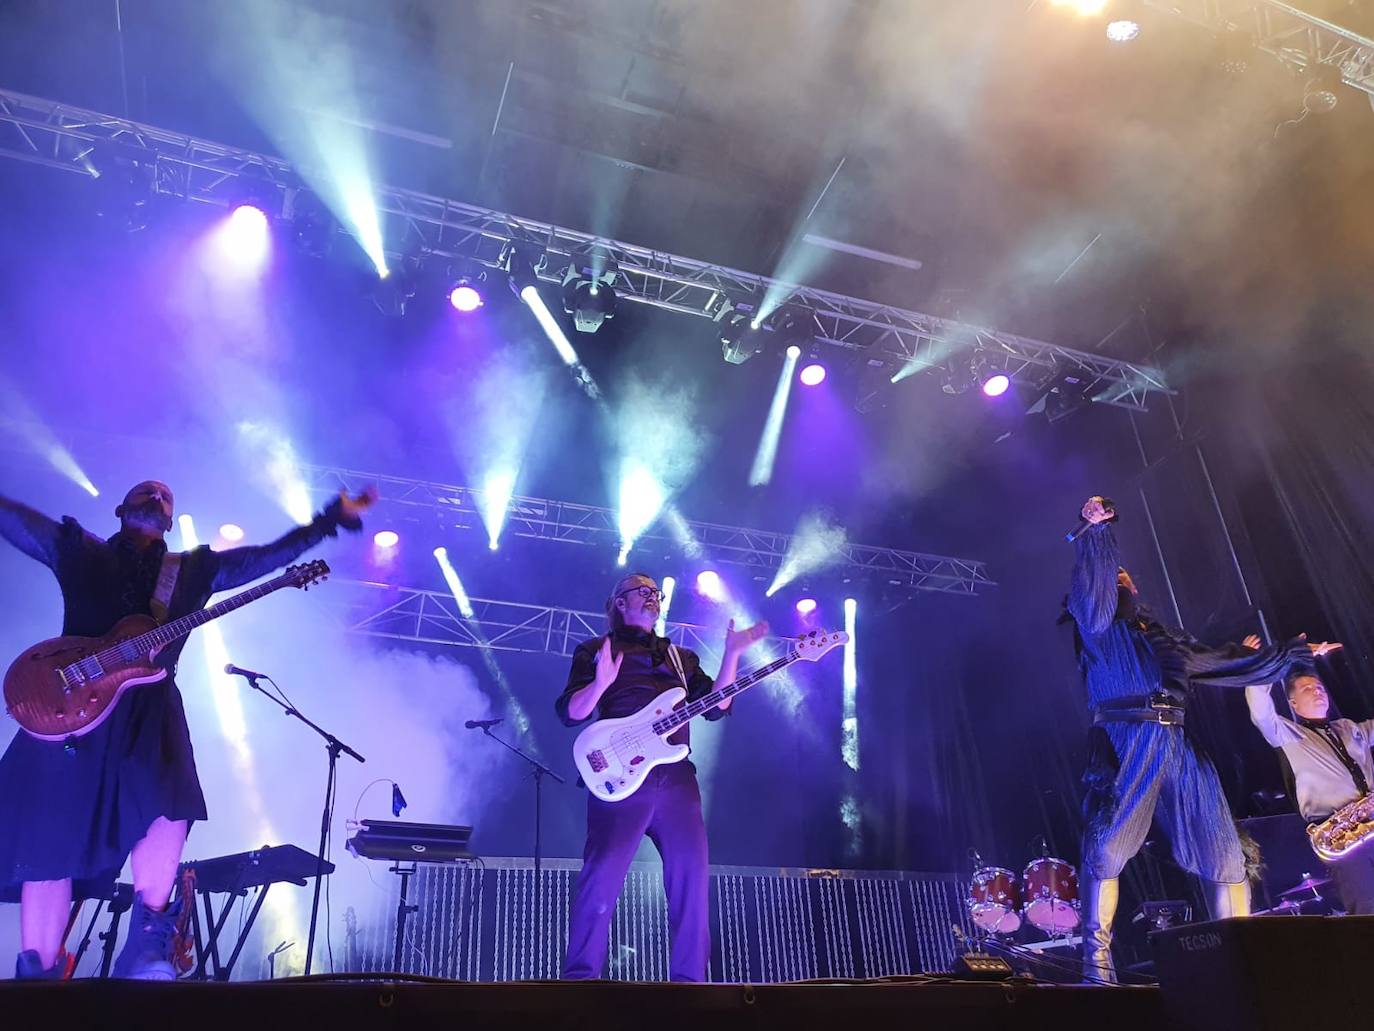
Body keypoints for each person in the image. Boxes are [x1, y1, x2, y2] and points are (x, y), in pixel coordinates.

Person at [0, 479, 376, 980]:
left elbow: (265, 558)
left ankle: (149, 946)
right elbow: (17, 522)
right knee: (51, 843)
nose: (157, 497)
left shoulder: (193, 570)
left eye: (165, 497)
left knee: (169, 808)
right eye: (145, 492)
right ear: (121, 508)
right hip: (68, 708)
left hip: (147, 711)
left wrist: (328, 522)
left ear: (171, 521)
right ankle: (37, 976)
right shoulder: (80, 550)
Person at [1067, 496, 1323, 982]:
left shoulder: (1167, 643)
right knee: (1109, 844)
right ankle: (1095, 966)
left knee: (1225, 849)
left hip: (1176, 741)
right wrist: (1097, 534)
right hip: (1129, 737)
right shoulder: (1097, 626)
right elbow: (1095, 591)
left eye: (1127, 578)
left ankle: (1242, 957)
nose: (1122, 581)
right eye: (1114, 578)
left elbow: (1228, 661)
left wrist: (1294, 654)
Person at [555, 572, 767, 982]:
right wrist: (600, 684)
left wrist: (733, 654)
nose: (654, 598)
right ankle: (579, 981)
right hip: (619, 777)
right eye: (644, 592)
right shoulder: (595, 649)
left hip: (676, 779)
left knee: (691, 878)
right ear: (620, 602)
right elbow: (572, 713)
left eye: (658, 593)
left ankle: (690, 984)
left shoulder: (680, 658)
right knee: (600, 879)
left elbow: (714, 707)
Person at [1243, 647, 1374, 914]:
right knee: (1367, 908)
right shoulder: (1287, 734)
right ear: (1292, 704)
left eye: (1319, 687)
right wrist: (1271, 662)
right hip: (1341, 837)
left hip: (1370, 816)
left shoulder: (1348, 727)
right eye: (1307, 689)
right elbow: (1260, 712)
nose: (1317, 691)